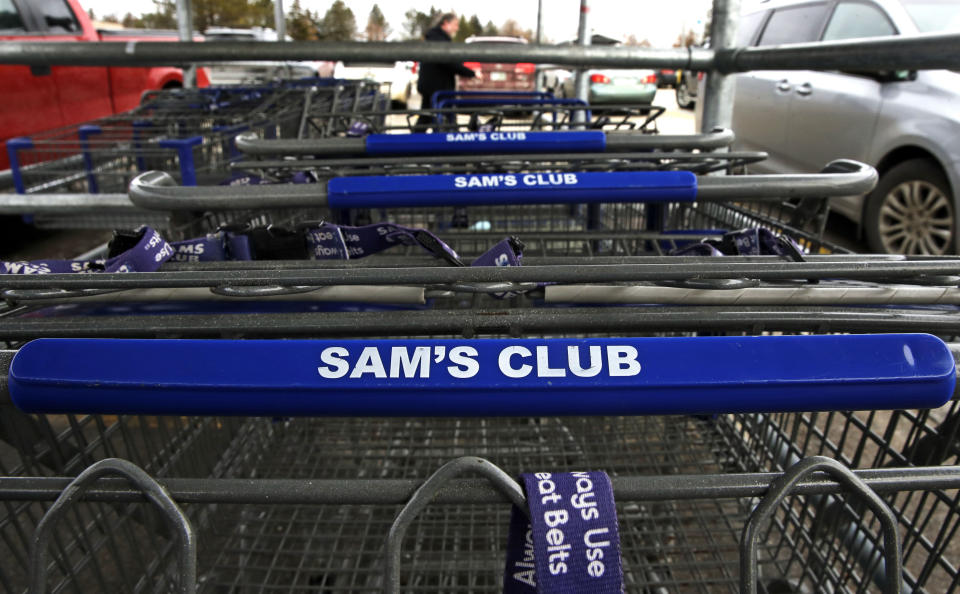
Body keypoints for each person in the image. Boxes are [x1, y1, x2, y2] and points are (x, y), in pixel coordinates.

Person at [415, 13, 482, 131]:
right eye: (455, 24)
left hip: (432, 86)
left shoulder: (436, 38)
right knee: (442, 117)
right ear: (445, 23)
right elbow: (448, 62)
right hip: (436, 87)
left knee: (427, 117)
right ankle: (443, 143)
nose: (457, 28)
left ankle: (413, 143)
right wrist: (471, 73)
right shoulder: (439, 41)